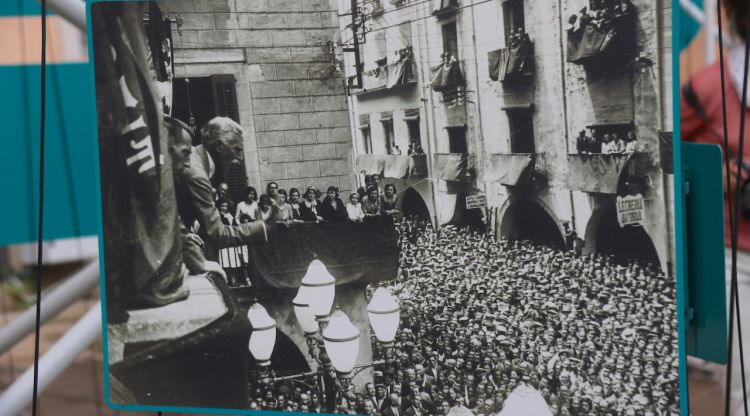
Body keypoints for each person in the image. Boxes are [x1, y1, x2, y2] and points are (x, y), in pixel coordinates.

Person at [681, 1, 750, 412]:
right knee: (744, 390)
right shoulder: (709, 85)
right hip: (735, 257)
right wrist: (715, 173)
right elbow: (674, 156)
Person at [171, 116, 270, 263]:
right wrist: (265, 227)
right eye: (236, 149)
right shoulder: (197, 173)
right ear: (219, 146)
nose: (240, 158)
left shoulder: (196, 162)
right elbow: (217, 233)